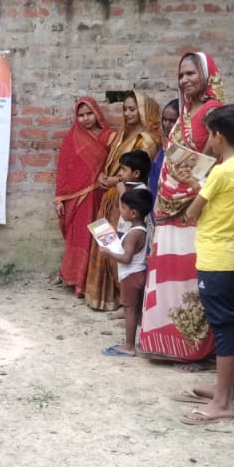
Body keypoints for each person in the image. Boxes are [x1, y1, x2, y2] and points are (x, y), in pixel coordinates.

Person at [139, 52, 226, 359]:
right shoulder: (186, 111)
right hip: (167, 205)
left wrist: (184, 187)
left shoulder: (214, 111)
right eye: (181, 75)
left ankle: (191, 348)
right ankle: (163, 342)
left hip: (192, 206)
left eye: (191, 73)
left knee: (188, 274)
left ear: (207, 74)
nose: (185, 80)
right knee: (166, 271)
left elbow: (213, 161)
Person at [178, 104, 234, 425]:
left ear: (219, 136)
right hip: (230, 254)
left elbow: (192, 212)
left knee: (223, 327)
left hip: (215, 257)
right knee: (226, 325)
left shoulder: (221, 172)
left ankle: (223, 402)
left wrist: (194, 188)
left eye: (210, 134)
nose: (208, 140)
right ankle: (223, 389)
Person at [84, 91, 162, 311]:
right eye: (125, 109)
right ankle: (109, 296)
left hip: (129, 200)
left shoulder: (147, 140)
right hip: (112, 196)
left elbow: (140, 173)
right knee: (107, 241)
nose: (127, 113)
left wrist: (114, 181)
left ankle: (126, 301)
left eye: (132, 109)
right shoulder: (122, 134)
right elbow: (115, 165)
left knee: (120, 247)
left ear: (144, 111)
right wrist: (105, 177)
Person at [55, 97, 115, 298]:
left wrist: (108, 177)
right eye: (81, 115)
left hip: (104, 196)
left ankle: (104, 284)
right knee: (81, 236)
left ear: (97, 113)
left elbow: (116, 163)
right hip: (79, 201)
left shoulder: (110, 137)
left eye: (89, 114)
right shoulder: (72, 139)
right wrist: (59, 198)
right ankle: (78, 281)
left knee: (103, 234)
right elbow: (64, 171)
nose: (86, 118)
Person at [101, 189, 153, 357]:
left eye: (123, 207)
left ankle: (129, 346)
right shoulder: (142, 230)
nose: (120, 210)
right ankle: (138, 341)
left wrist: (108, 253)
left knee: (129, 311)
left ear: (133, 213)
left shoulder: (132, 235)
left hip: (130, 276)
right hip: (140, 273)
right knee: (136, 310)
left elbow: (126, 258)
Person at [148, 98, 182, 204]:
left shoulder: (181, 149)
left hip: (170, 202)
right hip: (154, 199)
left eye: (172, 121)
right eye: (164, 119)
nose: (166, 125)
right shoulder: (163, 144)